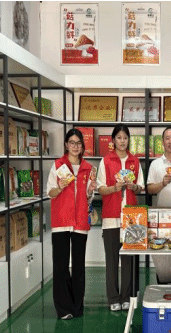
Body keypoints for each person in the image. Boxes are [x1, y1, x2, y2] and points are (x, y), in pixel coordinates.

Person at [47, 128, 97, 320]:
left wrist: (90, 191)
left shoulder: (88, 168)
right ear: (66, 145)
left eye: (78, 143)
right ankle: (63, 308)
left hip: (80, 222)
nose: (75, 146)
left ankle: (77, 306)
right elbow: (50, 193)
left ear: (82, 146)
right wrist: (59, 187)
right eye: (72, 142)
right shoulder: (58, 166)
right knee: (60, 266)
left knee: (78, 266)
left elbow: (88, 198)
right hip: (61, 220)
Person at [96, 123, 145, 312]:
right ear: (113, 140)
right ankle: (113, 298)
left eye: (125, 138)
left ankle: (126, 297)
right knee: (111, 259)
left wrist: (134, 187)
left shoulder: (135, 161)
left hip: (131, 217)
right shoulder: (106, 161)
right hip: (111, 216)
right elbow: (100, 188)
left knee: (128, 260)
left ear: (128, 140)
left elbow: (141, 187)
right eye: (119, 138)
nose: (122, 141)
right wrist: (114, 188)